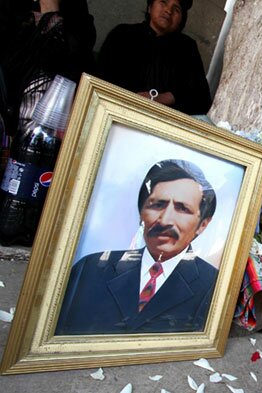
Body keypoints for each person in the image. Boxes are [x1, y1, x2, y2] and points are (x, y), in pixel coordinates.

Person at [56, 159, 218, 335]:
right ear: (141, 213)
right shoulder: (89, 269)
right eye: (157, 205)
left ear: (202, 224)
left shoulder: (214, 286)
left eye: (182, 209)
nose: (164, 220)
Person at [97, 0, 212, 115]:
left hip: (161, 126)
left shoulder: (187, 49)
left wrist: (162, 98)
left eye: (176, 9)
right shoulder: (122, 35)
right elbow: (99, 81)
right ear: (150, 7)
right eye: (163, 2)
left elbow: (201, 100)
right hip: (115, 114)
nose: (168, 10)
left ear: (181, 20)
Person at [0, 0, 95, 134]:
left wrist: (51, 11)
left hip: (54, 128)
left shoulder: (76, 11)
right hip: (11, 124)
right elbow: (11, 63)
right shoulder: (10, 10)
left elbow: (78, 60)